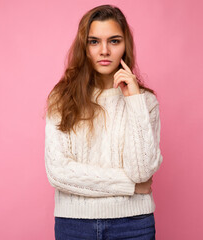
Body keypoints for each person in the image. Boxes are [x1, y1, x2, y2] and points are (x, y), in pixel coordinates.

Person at [43, 4, 163, 240]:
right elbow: (58, 172)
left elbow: (141, 172)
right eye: (94, 41)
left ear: (125, 45)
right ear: (84, 46)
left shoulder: (144, 102)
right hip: (74, 225)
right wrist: (129, 187)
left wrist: (133, 101)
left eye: (114, 41)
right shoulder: (62, 98)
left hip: (134, 226)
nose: (104, 50)